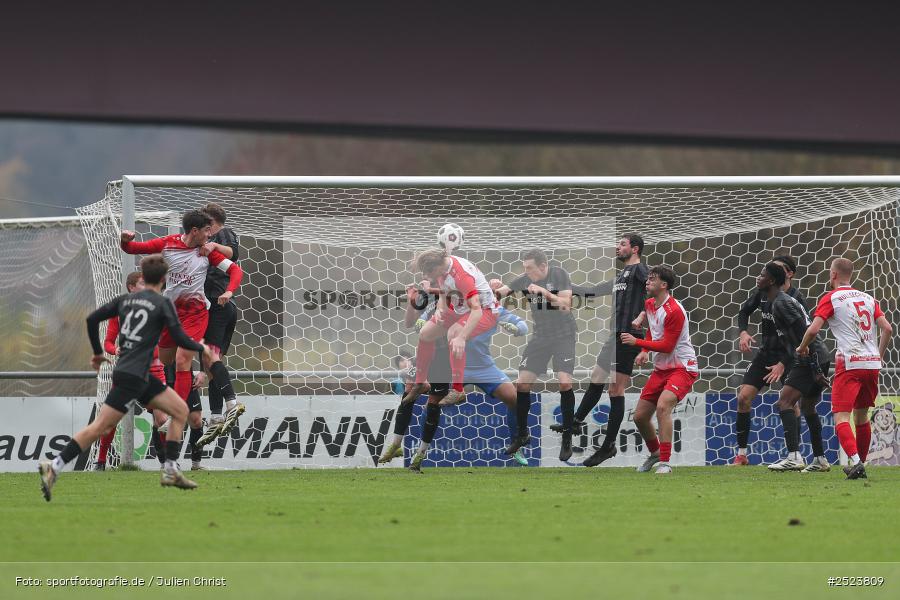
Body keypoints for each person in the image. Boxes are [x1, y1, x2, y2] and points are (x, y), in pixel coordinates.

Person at [39, 255, 211, 500]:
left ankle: (170, 469)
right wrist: (203, 348)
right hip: (135, 375)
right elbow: (180, 340)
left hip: (133, 373)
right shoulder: (163, 304)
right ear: (164, 279)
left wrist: (98, 352)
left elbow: (91, 319)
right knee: (101, 426)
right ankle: (53, 466)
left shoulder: (125, 301)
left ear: (144, 275)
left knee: (180, 411)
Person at [119, 210, 242, 466]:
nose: (210, 236)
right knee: (167, 361)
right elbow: (133, 248)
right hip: (171, 315)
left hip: (197, 314)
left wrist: (229, 291)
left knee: (183, 359)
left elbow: (235, 271)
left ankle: (179, 414)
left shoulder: (207, 251)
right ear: (194, 231)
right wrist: (125, 240)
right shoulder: (168, 245)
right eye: (207, 232)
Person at [382, 286, 529, 471]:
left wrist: (516, 329)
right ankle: (419, 457)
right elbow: (424, 320)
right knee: (431, 405)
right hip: (453, 367)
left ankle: (517, 443)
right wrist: (421, 315)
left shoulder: (493, 308)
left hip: (483, 367)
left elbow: (523, 326)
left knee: (515, 400)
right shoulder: (457, 304)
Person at [796, 257, 893, 480]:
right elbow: (887, 328)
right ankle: (861, 463)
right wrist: (878, 356)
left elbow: (813, 330)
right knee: (861, 417)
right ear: (852, 275)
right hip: (871, 364)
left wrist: (802, 347)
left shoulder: (831, 298)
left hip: (850, 363)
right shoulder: (868, 298)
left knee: (841, 417)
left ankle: (857, 462)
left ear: (833, 275)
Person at [567, 234, 648, 466]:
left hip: (629, 337)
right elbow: (592, 291)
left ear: (635, 249)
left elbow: (657, 292)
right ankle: (575, 421)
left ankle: (608, 445)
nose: (617, 247)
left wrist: (643, 316)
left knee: (615, 390)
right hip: (614, 336)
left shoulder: (641, 271)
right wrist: (569, 287)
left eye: (622, 244)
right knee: (596, 377)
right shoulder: (621, 276)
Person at [491, 249, 577, 460]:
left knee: (564, 382)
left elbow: (566, 306)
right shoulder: (525, 279)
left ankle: (567, 437)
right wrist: (491, 288)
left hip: (563, 336)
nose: (526, 272)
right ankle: (522, 435)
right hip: (540, 337)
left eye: (529, 268)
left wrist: (544, 293)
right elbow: (500, 293)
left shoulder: (559, 275)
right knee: (522, 384)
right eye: (525, 268)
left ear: (543, 266)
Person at [621, 266, 699, 475]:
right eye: (648, 279)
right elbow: (653, 330)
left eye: (652, 279)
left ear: (664, 285)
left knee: (663, 406)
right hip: (661, 369)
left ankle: (665, 462)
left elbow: (667, 346)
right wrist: (644, 349)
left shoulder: (674, 311)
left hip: (682, 367)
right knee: (639, 417)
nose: (647, 282)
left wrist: (636, 342)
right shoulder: (649, 304)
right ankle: (655, 453)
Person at [732, 254, 807, 465]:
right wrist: (743, 333)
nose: (769, 272)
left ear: (788, 273)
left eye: (776, 269)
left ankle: (794, 454)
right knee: (743, 398)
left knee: (791, 404)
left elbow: (802, 337)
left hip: (790, 356)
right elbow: (744, 311)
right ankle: (742, 454)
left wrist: (784, 363)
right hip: (766, 354)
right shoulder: (764, 293)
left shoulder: (795, 299)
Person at [402, 249, 499, 408]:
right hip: (460, 308)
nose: (426, 277)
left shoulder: (462, 277)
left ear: (437, 267)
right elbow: (444, 293)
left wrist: (462, 337)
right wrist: (441, 309)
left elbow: (477, 310)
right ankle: (420, 383)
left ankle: (458, 390)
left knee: (454, 334)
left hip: (485, 311)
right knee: (425, 333)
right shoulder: (442, 269)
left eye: (428, 272)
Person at [758, 263, 830, 473]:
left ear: (771, 280)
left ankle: (794, 457)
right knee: (808, 406)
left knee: (785, 401)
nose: (758, 277)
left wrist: (813, 364)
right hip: (817, 356)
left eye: (762, 274)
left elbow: (805, 332)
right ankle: (820, 459)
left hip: (810, 356)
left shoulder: (781, 303)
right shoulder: (777, 302)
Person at [94, 271, 168, 471]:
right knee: (111, 418)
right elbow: (108, 342)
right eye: (143, 283)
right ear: (131, 287)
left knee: (162, 419)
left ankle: (166, 462)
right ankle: (100, 461)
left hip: (154, 371)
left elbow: (164, 342)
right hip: (128, 372)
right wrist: (115, 349)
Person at [193, 203, 244, 457]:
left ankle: (230, 404)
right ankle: (215, 417)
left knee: (209, 359)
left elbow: (232, 254)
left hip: (218, 306)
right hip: (222, 307)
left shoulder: (222, 235)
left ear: (212, 223)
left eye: (205, 226)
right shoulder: (209, 242)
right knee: (212, 363)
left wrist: (213, 246)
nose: (205, 233)